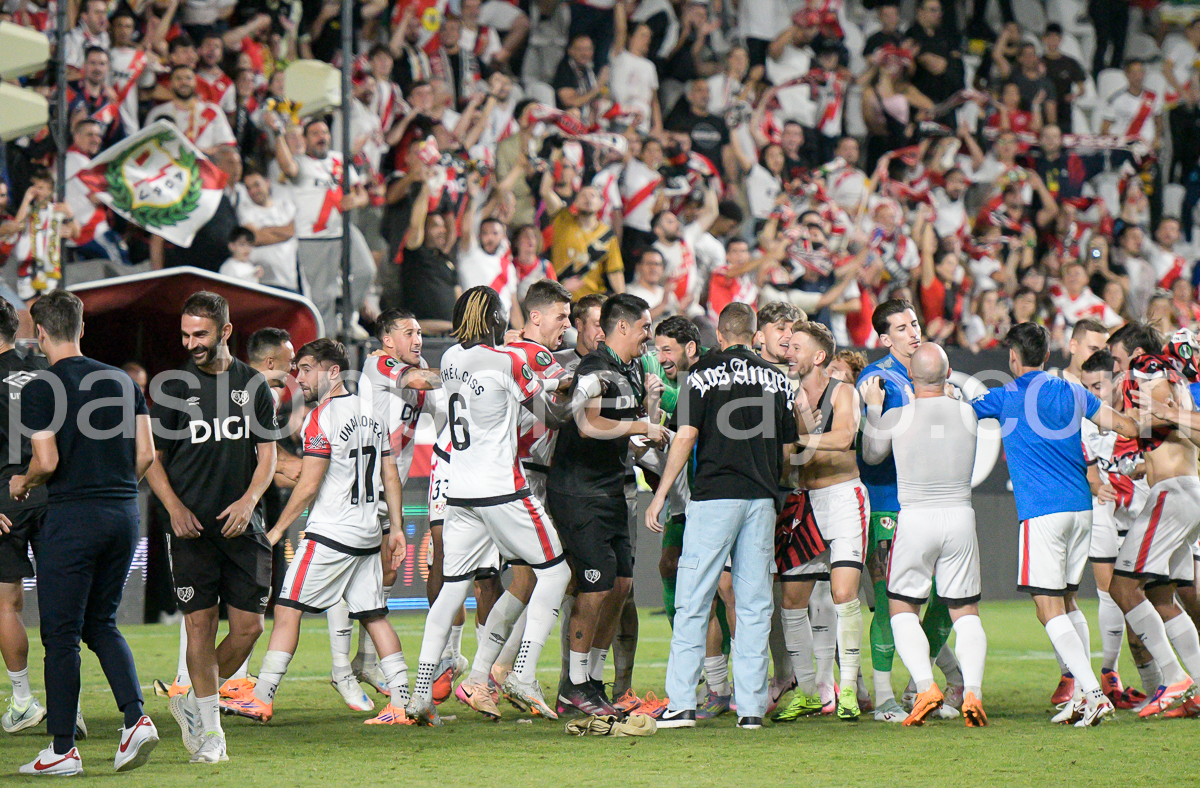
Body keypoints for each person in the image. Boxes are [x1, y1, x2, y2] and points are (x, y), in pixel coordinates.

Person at [406, 287, 574, 725]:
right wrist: (584, 382)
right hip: (502, 489)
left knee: (450, 591)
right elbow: (552, 407)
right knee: (556, 572)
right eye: (503, 314)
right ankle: (521, 672)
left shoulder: (450, 360)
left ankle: (420, 693)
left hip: (459, 493)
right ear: (495, 318)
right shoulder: (508, 361)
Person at [228, 339, 416, 727]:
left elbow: (309, 484)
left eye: (308, 368)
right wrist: (394, 527)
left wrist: (278, 530)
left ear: (333, 371)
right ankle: (401, 702)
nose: (301, 377)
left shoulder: (322, 418)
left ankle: (261, 698)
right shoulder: (370, 411)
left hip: (331, 534)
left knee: (287, 609)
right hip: (366, 533)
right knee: (375, 616)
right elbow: (390, 474)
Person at [13, 290, 158, 775]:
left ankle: (61, 750)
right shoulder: (121, 380)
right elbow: (146, 456)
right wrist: (113, 489)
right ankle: (136, 719)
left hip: (73, 519)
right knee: (102, 623)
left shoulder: (40, 387)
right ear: (81, 328)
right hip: (124, 513)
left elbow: (47, 461)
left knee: (61, 634)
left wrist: (23, 480)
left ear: (39, 333)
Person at [970, 322, 1138, 726]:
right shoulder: (1074, 390)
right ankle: (1082, 694)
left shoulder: (1006, 395)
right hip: (1081, 509)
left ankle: (1094, 693)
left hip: (1042, 512)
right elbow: (1126, 427)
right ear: (1047, 356)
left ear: (1013, 358)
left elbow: (958, 413)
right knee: (1065, 601)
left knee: (1047, 609)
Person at [646, 302, 798, 729]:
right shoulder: (778, 379)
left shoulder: (702, 374)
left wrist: (659, 496)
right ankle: (750, 709)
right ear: (754, 335)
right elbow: (787, 450)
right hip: (762, 500)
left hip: (714, 498)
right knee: (753, 606)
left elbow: (687, 436)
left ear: (718, 334)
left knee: (693, 600)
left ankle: (682, 703)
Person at [147, 292, 277, 763]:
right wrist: (174, 508)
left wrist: (249, 500)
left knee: (249, 628)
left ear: (225, 332)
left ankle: (191, 699)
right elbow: (152, 460)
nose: (190, 343)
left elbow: (268, 455)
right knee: (199, 626)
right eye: (185, 334)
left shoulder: (253, 384)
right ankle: (212, 731)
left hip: (242, 526)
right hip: (191, 529)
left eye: (199, 334)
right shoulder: (171, 386)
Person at [548, 293, 665, 715]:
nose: (648, 337)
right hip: (580, 493)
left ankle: (592, 681)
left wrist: (648, 416)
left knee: (620, 587)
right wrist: (642, 423)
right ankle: (573, 685)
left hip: (612, 489)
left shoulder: (628, 371)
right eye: (645, 328)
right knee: (594, 586)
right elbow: (587, 422)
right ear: (622, 328)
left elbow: (624, 436)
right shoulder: (595, 370)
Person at [861, 343, 988, 727]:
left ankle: (924, 686)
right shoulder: (967, 412)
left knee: (902, 610)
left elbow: (870, 455)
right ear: (948, 376)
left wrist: (872, 409)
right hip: (960, 517)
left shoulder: (898, 415)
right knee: (966, 613)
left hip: (915, 518)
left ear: (910, 377)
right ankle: (974, 693)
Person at [855, 299, 960, 721]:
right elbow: (873, 455)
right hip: (889, 504)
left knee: (946, 598)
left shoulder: (933, 374)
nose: (913, 333)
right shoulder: (878, 379)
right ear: (884, 338)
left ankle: (924, 687)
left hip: (932, 500)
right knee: (889, 600)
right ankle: (883, 698)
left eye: (914, 324)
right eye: (901, 328)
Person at [773, 321, 867, 722]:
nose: (787, 352)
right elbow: (787, 464)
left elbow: (845, 437)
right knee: (792, 602)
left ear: (818, 356)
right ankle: (810, 691)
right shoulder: (786, 398)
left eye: (795, 347)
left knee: (844, 594)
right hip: (805, 501)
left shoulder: (843, 390)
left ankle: (846, 690)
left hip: (844, 497)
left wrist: (802, 438)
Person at [1110, 326, 1200, 718]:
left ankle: (1173, 676)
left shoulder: (1148, 368)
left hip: (1174, 495)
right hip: (1184, 490)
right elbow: (1163, 431)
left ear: (1137, 352)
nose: (1117, 366)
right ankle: (1195, 685)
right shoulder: (1174, 378)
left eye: (1118, 357)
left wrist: (1096, 411)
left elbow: (1136, 424)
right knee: (1163, 596)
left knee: (1123, 588)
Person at [0, 300, 49, 734]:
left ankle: (22, 702)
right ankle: (68, 703)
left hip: (6, 500)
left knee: (5, 603)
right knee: (61, 603)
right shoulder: (48, 367)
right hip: (55, 494)